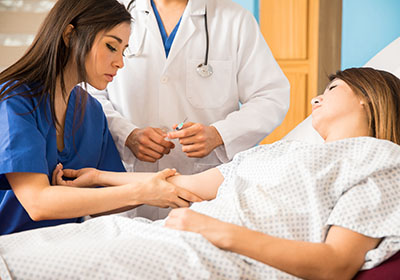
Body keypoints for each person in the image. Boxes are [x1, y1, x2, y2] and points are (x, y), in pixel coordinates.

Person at [3, 67, 397, 279]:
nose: (316, 97)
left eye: (332, 90)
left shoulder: (381, 161)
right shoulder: (283, 151)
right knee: (21, 250)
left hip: (210, 253)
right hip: (168, 234)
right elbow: (184, 186)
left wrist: (213, 231)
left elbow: (336, 264)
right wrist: (100, 176)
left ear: (366, 94)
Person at [0, 0, 201, 236]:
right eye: (111, 46)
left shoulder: (91, 111)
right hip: (10, 250)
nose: (120, 62)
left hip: (63, 247)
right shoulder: (15, 100)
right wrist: (143, 191)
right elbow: (38, 203)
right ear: (69, 35)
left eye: (124, 51)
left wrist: (167, 185)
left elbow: (106, 198)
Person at [88, 0, 290, 220]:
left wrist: (219, 134)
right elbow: (88, 91)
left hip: (201, 188)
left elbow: (271, 96)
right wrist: (126, 134)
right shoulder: (111, 11)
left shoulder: (234, 20)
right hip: (127, 180)